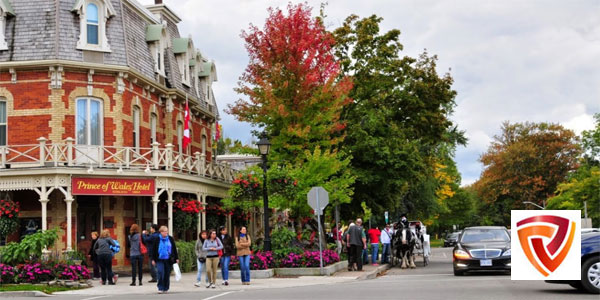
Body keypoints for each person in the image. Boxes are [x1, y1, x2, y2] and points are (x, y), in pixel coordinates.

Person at [151, 226, 179, 294]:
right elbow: (154, 250)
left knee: (166, 274)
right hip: (159, 259)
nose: (166, 232)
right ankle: (160, 287)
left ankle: (166, 287)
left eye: (166, 231)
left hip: (168, 259)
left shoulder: (170, 239)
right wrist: (153, 259)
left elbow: (174, 249)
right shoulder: (157, 239)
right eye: (164, 231)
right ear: (161, 232)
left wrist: (176, 258)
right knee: (160, 272)